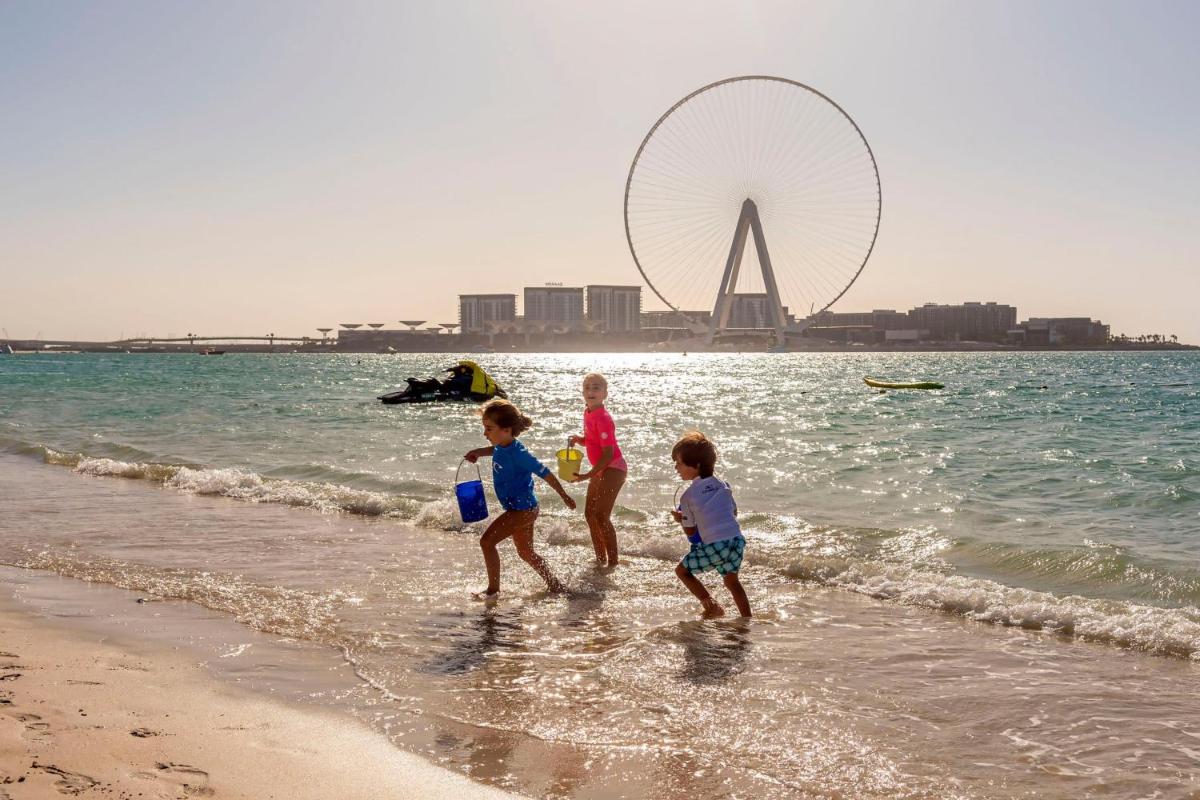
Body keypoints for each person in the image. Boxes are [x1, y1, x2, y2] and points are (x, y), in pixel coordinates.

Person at [465, 399, 575, 598]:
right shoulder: (502, 445)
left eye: (489, 428)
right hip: (521, 508)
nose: (485, 433)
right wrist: (478, 452)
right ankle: (556, 586)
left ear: (506, 430)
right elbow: (495, 450)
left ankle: (493, 590)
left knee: (487, 542)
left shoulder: (520, 454)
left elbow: (545, 473)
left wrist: (564, 495)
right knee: (525, 553)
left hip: (523, 510)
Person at [670, 431, 751, 618]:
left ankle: (712, 605)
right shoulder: (724, 485)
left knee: (682, 571)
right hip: (736, 540)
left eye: (679, 463)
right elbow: (733, 513)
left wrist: (681, 520)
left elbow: (691, 531)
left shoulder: (688, 496)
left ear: (697, 465)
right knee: (732, 582)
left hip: (716, 544)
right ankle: (747, 618)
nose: (676, 467)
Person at [568, 373, 628, 567]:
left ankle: (613, 562)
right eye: (587, 387)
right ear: (582, 392)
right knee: (589, 514)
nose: (591, 391)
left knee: (601, 516)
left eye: (596, 387)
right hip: (600, 469)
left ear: (605, 394)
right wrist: (579, 439)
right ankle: (600, 558)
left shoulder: (603, 418)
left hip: (614, 469)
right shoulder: (588, 412)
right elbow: (593, 441)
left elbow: (608, 454)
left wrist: (588, 475)